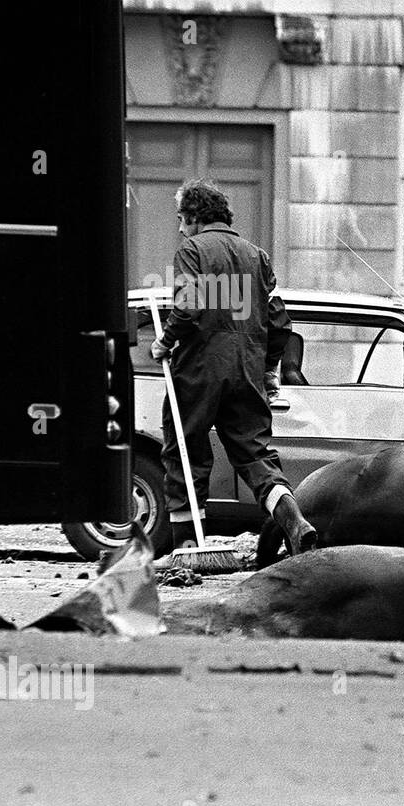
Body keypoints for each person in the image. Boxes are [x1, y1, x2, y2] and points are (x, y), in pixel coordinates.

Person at [150, 179, 317, 556]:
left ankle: (188, 551)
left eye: (181, 218)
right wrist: (268, 368)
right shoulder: (257, 256)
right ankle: (290, 516)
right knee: (254, 455)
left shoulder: (192, 250)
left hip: (199, 371)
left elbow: (190, 304)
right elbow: (279, 323)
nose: (179, 228)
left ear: (195, 216)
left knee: (185, 454)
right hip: (247, 371)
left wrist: (165, 341)